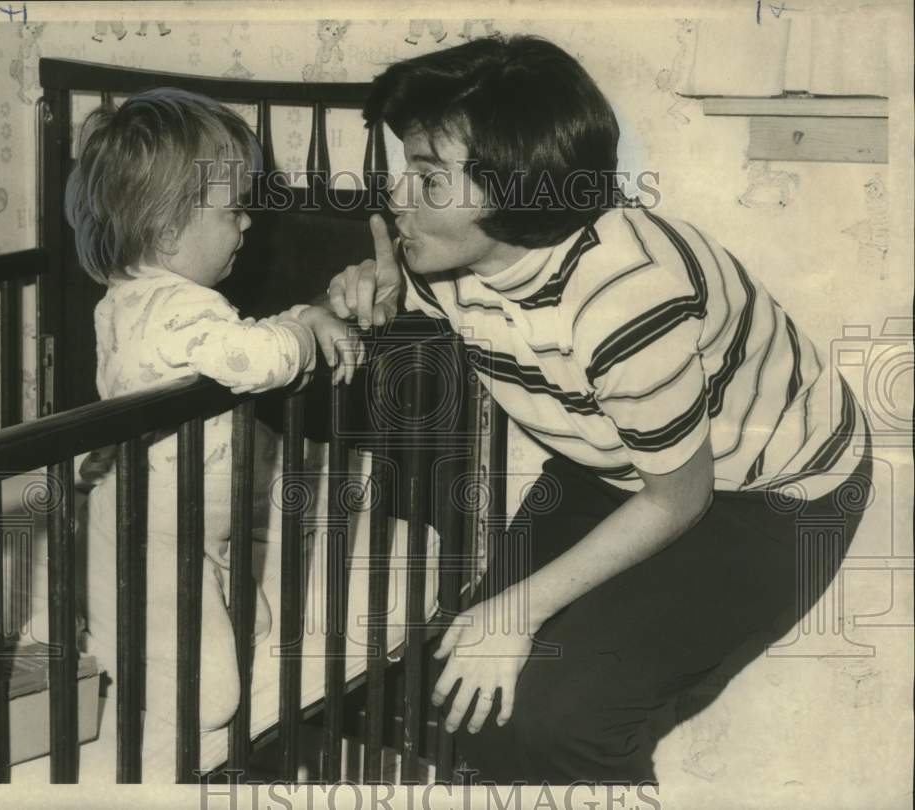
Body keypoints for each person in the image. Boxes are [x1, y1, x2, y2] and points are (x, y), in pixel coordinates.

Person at [327, 36, 872, 785]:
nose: (397, 197)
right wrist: (374, 288)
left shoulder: (627, 297)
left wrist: (516, 612)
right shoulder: (450, 253)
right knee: (468, 693)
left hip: (770, 490)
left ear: (513, 187)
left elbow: (680, 498)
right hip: (618, 462)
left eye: (427, 177)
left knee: (565, 717)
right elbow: (392, 279)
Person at [64, 87, 362, 779]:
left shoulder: (139, 297)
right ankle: (113, 646)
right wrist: (306, 328)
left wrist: (295, 317)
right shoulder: (178, 306)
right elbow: (256, 359)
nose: (248, 224)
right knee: (213, 701)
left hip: (189, 527)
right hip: (156, 534)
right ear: (169, 230)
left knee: (245, 625)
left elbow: (224, 347)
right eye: (233, 211)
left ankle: (129, 612)